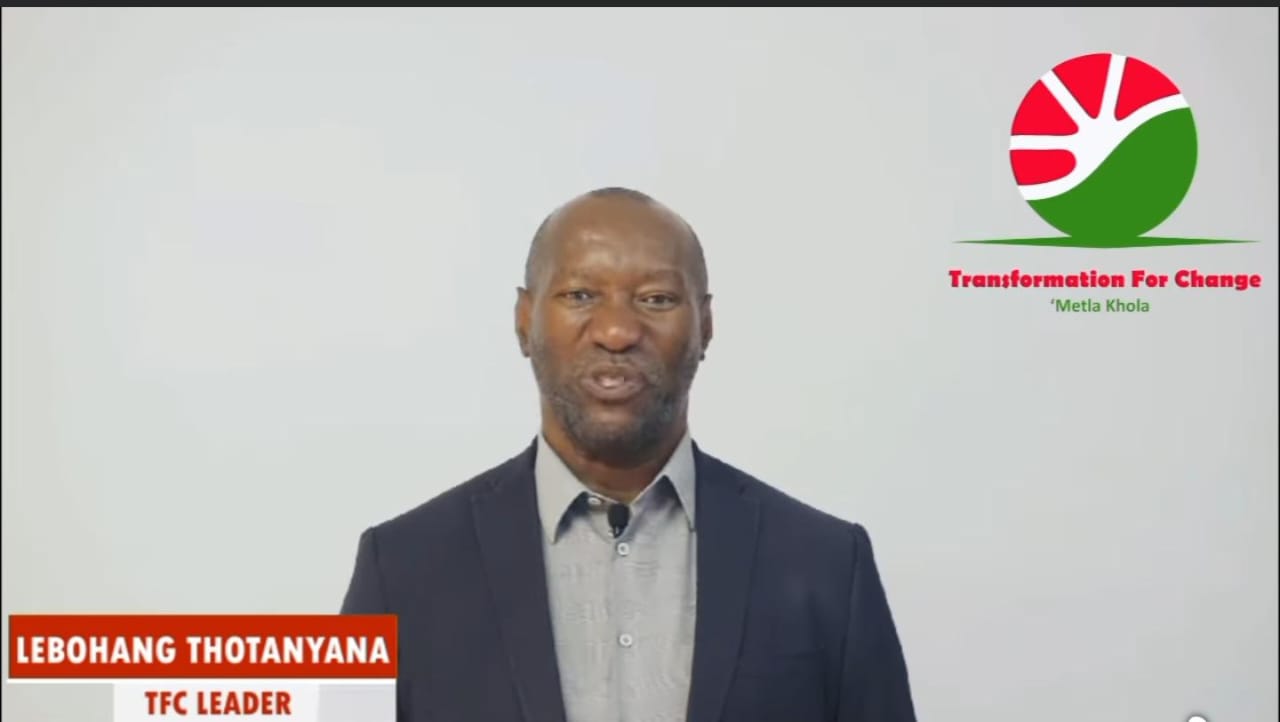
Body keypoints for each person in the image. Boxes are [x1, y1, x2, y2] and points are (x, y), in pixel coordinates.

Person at [339, 187, 917, 722]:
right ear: (523, 320)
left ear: (705, 326)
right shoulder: (397, 567)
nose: (616, 331)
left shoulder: (829, 565)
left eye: (656, 299)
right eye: (580, 295)